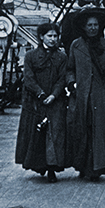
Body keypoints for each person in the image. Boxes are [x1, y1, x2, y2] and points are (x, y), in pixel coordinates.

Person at [66, 8, 105, 181]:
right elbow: (70, 68)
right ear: (83, 27)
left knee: (99, 132)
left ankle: (98, 168)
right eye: (89, 25)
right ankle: (82, 166)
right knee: (82, 130)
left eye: (95, 25)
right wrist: (72, 84)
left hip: (100, 96)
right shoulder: (76, 45)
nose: (92, 28)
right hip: (81, 95)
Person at [15, 22, 69, 182]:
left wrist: (53, 95)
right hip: (35, 102)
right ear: (41, 37)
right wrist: (40, 94)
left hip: (55, 101)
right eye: (49, 36)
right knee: (36, 134)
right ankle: (40, 165)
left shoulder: (62, 57)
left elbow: (62, 78)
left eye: (55, 36)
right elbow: (29, 78)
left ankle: (52, 168)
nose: (53, 39)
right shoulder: (31, 56)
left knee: (54, 135)